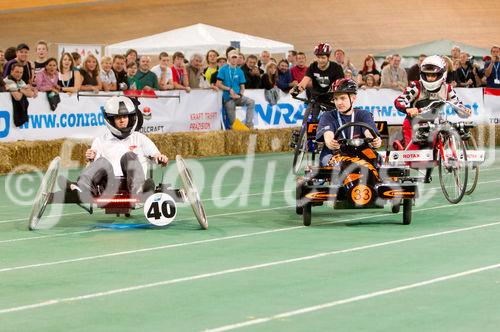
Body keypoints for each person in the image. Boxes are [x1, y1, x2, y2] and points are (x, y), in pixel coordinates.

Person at [58, 96, 168, 201]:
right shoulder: (100, 140)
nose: (122, 120)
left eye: (125, 117)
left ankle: (139, 189)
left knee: (129, 156)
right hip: (107, 186)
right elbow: (94, 163)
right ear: (111, 120)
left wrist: (160, 157)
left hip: (132, 185)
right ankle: (82, 188)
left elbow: (155, 155)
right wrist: (91, 158)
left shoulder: (140, 138)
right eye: (118, 117)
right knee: (102, 162)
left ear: (130, 118)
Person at [394, 55, 472, 151]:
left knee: (432, 160)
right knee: (416, 162)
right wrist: (408, 109)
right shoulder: (416, 86)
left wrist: (464, 111)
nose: (430, 78)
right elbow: (400, 100)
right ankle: (401, 145)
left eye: (433, 75)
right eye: (427, 75)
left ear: (441, 74)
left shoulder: (447, 88)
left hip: (435, 124)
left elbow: (457, 104)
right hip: (414, 123)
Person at [316, 78, 381, 166]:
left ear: (353, 98)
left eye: (343, 98)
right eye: (336, 99)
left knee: (377, 160)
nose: (339, 102)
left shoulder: (363, 114)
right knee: (343, 165)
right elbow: (328, 137)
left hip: (358, 153)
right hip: (333, 154)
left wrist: (375, 141)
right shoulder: (328, 116)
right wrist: (331, 143)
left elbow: (369, 133)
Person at [294, 43, 344, 121]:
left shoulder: (337, 68)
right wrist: (295, 90)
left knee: (332, 126)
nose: (320, 60)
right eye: (318, 57)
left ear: (328, 57)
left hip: (331, 102)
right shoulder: (313, 66)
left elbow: (340, 86)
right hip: (315, 100)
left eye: (323, 58)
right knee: (309, 125)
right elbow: (304, 82)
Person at [216, 49, 255, 129]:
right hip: (228, 98)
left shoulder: (239, 71)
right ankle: (234, 130)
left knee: (251, 102)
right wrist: (229, 89)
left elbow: (242, 87)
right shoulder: (223, 69)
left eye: (236, 58)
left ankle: (249, 125)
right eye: (232, 57)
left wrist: (239, 95)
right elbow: (218, 84)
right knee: (233, 124)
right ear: (229, 59)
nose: (234, 59)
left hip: (237, 97)